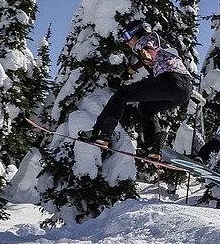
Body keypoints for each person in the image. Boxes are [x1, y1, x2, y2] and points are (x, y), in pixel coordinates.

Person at [78, 20, 193, 158]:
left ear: (137, 32)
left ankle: (101, 132)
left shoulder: (145, 39)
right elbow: (149, 57)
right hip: (184, 91)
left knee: (122, 94)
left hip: (170, 81)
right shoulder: (160, 42)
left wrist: (148, 56)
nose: (126, 42)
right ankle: (152, 147)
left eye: (127, 36)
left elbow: (149, 52)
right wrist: (131, 69)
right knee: (146, 109)